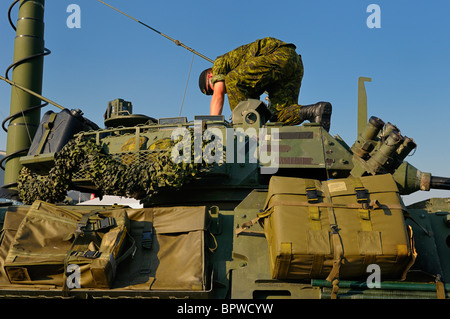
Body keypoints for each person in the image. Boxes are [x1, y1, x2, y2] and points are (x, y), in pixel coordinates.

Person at [199, 37, 332, 131]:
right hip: (294, 64)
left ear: (210, 76)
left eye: (211, 88)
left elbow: (219, 94)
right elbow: (252, 109)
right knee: (277, 118)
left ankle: (241, 130)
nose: (216, 90)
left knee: (232, 79)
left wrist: (213, 127)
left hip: (278, 54)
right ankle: (314, 111)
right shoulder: (248, 83)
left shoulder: (219, 63)